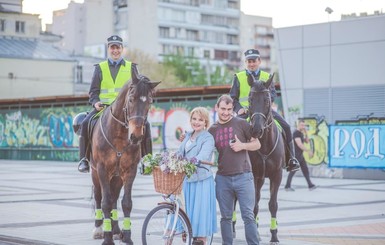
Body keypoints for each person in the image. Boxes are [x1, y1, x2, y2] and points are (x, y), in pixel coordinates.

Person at [77, 35, 152, 173]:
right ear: (108, 49)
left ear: (122, 49)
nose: (115, 50)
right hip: (104, 108)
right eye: (113, 47)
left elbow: (140, 89)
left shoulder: (132, 67)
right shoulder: (100, 68)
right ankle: (84, 159)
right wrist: (95, 103)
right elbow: (93, 92)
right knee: (86, 122)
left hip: (126, 110)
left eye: (118, 47)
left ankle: (147, 160)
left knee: (145, 124)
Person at [229, 48, 300, 172]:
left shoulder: (267, 76)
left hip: (264, 111)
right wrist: (239, 108)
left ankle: (291, 159)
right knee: (233, 129)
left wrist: (265, 106)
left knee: (287, 127)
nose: (251, 64)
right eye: (249, 61)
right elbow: (233, 97)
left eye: (254, 61)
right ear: (245, 62)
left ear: (259, 61)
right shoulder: (238, 77)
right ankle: (229, 160)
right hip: (246, 112)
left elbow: (272, 95)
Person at [208, 94, 261, 245]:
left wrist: (242, 146)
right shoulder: (212, 130)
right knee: (225, 217)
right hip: (222, 179)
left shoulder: (241, 124)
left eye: (229, 109)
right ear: (217, 107)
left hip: (244, 177)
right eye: (223, 109)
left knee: (248, 216)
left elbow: (257, 144)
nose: (226, 112)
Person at [177, 107, 217, 245]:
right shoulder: (187, 135)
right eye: (194, 119)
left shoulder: (208, 138)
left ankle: (201, 241)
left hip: (201, 181)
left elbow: (203, 156)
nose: (197, 122)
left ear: (205, 122)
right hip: (187, 180)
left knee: (200, 215)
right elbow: (179, 153)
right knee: (188, 213)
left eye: (200, 119)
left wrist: (192, 161)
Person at [285, 119, 317, 191]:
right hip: (296, 155)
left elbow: (307, 141)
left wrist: (306, 132)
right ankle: (287, 186)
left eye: (304, 125)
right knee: (293, 171)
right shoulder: (296, 133)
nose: (303, 126)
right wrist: (308, 151)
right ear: (298, 125)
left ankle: (310, 185)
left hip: (300, 155)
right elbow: (299, 144)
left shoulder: (301, 133)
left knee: (305, 170)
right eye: (302, 125)